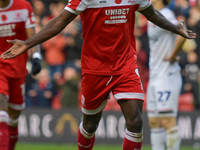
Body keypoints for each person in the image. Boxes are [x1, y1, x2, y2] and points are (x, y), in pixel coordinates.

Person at [0, 0, 196, 149]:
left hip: (125, 65)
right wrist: (28, 43)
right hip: (95, 69)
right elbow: (60, 21)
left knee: (136, 121)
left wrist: (174, 28)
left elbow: (152, 14)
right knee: (90, 123)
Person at [0, 0, 41, 149]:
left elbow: (31, 37)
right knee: (1, 112)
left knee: (14, 117)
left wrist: (36, 56)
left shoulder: (24, 6)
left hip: (18, 69)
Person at [146, 0, 187, 149]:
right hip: (155, 75)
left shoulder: (166, 14)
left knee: (168, 121)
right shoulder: (152, 15)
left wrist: (172, 56)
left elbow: (182, 31)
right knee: (155, 123)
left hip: (167, 75)